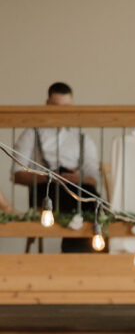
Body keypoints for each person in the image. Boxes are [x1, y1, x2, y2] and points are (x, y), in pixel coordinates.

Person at [13, 82, 100, 252]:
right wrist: (49, 176)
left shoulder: (82, 139)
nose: (62, 112)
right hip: (45, 189)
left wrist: (77, 178)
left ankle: (80, 255)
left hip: (76, 186)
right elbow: (17, 174)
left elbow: (93, 178)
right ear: (47, 105)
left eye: (66, 107)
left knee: (92, 200)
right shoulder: (32, 134)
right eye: (57, 107)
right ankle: (75, 256)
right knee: (79, 204)